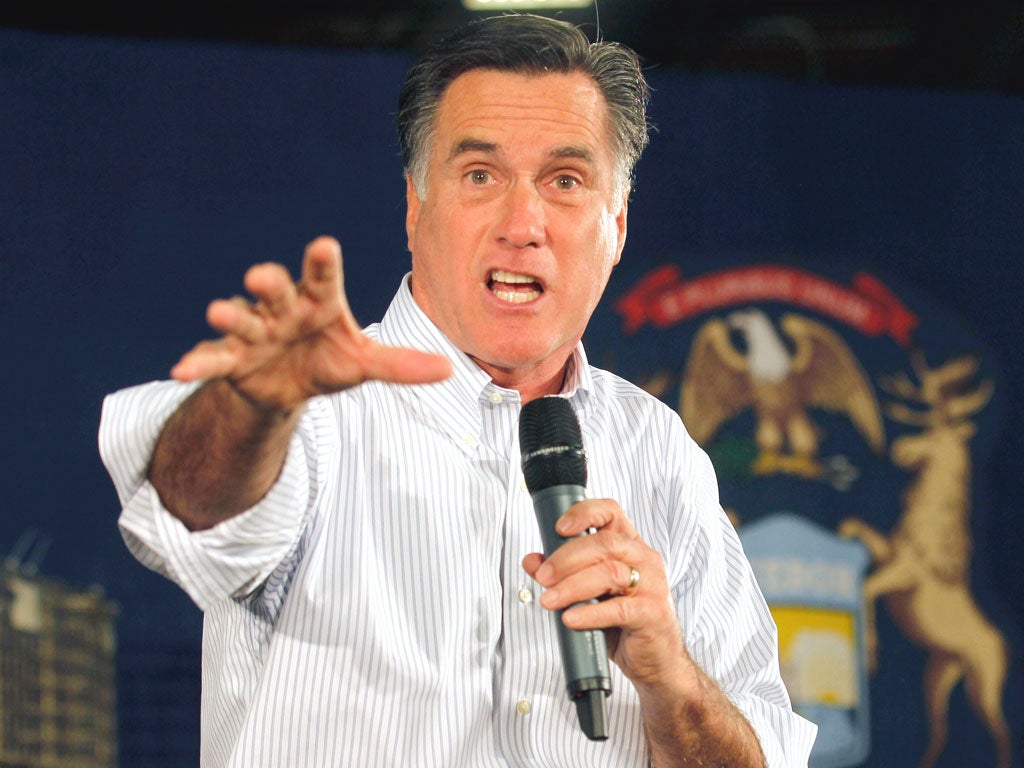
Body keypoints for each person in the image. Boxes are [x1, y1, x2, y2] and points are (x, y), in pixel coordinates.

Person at [99, 13, 816, 768]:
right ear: (415, 207)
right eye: (481, 175)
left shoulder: (657, 447)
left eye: (565, 181)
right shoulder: (309, 411)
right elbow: (194, 510)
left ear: (618, 225)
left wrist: (671, 679)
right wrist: (254, 404)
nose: (523, 222)